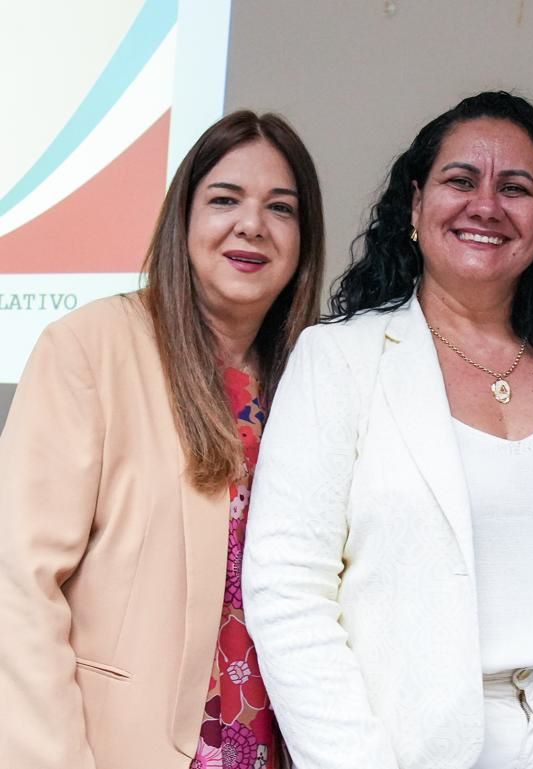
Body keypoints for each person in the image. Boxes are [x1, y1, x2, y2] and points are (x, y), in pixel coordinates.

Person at [242, 91, 533, 769]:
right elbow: (286, 588)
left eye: (516, 188)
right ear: (416, 205)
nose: (486, 205)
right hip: (408, 752)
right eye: (461, 180)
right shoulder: (339, 359)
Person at [0, 110, 325, 769]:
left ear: (304, 239)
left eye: (281, 208)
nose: (252, 224)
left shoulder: (316, 380)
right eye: (225, 199)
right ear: (182, 219)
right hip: (117, 749)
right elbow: (17, 585)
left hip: (274, 746)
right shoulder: (91, 347)